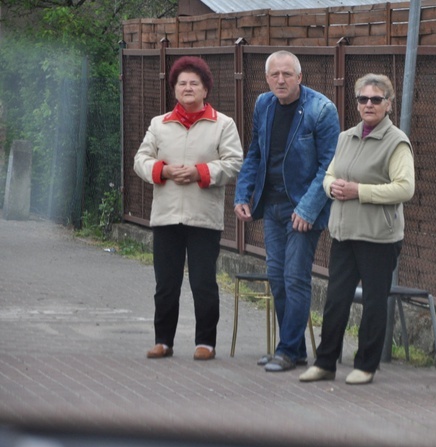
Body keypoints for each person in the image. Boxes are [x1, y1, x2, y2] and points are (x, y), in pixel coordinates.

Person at [299, 74, 415, 385]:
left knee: (374, 302)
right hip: (343, 232)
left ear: (388, 104)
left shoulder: (397, 142)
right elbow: (329, 173)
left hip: (378, 236)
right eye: (363, 99)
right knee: (336, 299)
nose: (368, 104)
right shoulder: (345, 137)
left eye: (376, 99)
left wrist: (359, 191)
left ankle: (365, 365)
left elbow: (405, 188)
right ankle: (325, 363)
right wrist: (331, 186)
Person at [234, 51, 340, 372]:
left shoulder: (321, 110)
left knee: (295, 278)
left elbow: (329, 166)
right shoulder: (263, 105)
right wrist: (243, 193)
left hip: (304, 208)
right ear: (267, 78)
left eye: (287, 74)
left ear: (299, 77)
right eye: (275, 74)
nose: (281, 80)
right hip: (273, 205)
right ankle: (293, 350)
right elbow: (255, 152)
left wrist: (308, 210)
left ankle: (286, 350)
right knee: (277, 278)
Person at [134, 56, 243, 360]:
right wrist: (163, 171)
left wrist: (200, 173)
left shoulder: (223, 124)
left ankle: (206, 343)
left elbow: (234, 162)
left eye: (195, 83)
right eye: (182, 83)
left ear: (206, 89)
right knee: (166, 284)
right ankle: (163, 341)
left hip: (203, 217)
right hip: (166, 215)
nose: (188, 88)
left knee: (203, 282)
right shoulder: (160, 124)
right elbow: (140, 160)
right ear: (174, 90)